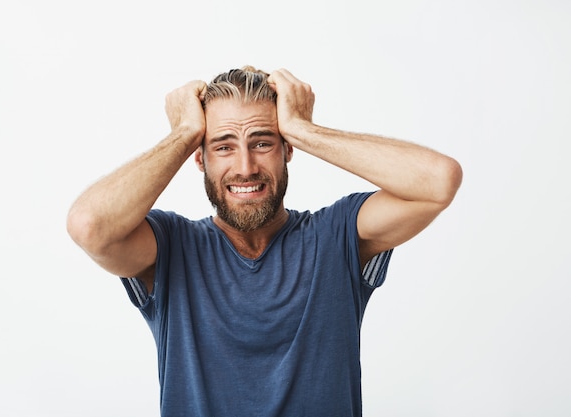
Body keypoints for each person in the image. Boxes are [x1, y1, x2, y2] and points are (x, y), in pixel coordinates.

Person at [67, 66, 462, 416]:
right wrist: (185, 132)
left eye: (262, 142)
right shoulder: (170, 246)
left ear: (287, 148)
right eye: (223, 146)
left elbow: (438, 181)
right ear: (199, 157)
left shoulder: (338, 234)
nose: (245, 168)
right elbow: (89, 225)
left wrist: (305, 128)